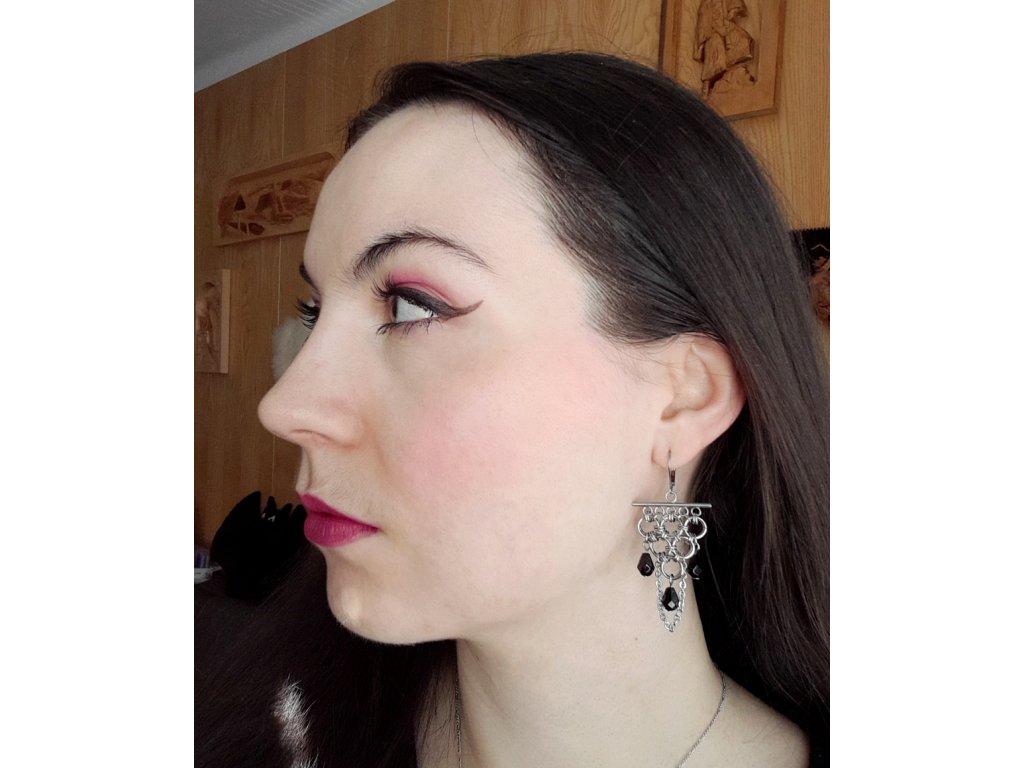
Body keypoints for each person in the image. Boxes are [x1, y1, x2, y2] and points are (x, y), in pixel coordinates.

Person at [195, 51, 829, 768]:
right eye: (314, 312)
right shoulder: (283, 732)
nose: (284, 406)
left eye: (411, 306)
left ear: (684, 399)